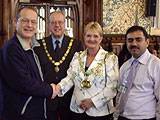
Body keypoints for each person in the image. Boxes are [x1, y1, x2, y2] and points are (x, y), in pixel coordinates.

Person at [0, 6, 58, 120]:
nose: (30, 25)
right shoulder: (11, 49)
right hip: (18, 115)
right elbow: (24, 83)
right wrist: (50, 90)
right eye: (25, 21)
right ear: (16, 22)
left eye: (33, 22)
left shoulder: (34, 47)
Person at [55, 21, 119, 120]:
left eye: (95, 36)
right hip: (77, 109)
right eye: (88, 35)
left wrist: (92, 102)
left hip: (100, 113)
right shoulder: (77, 56)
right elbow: (70, 78)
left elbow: (112, 87)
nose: (92, 39)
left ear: (101, 38)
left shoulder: (110, 58)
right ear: (84, 37)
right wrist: (57, 88)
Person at [34, 11, 83, 120]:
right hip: (47, 97)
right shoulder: (39, 45)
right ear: (49, 25)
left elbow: (79, 72)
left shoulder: (76, 44)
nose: (57, 25)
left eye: (60, 22)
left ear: (65, 24)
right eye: (53, 22)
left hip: (69, 98)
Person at [114, 25, 160, 120]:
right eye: (130, 40)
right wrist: (116, 114)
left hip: (145, 117)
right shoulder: (125, 66)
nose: (134, 43)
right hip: (123, 116)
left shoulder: (156, 65)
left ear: (147, 42)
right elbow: (120, 92)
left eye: (138, 40)